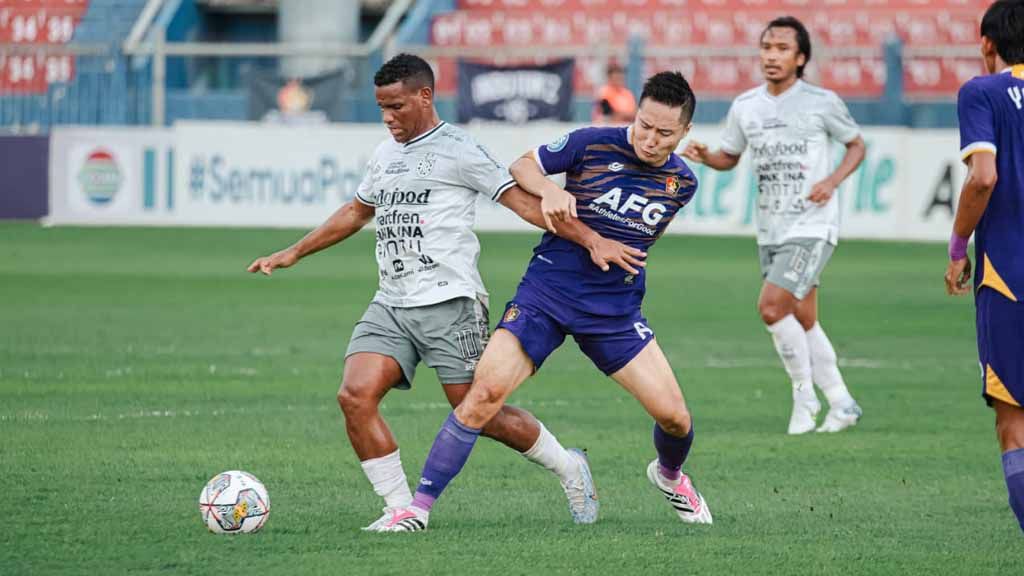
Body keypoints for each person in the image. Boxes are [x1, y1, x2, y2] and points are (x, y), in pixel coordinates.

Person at [247, 53, 645, 531]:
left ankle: (567, 465)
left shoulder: (460, 149)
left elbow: (524, 206)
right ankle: (399, 510)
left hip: (450, 303)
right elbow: (357, 211)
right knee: (354, 395)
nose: (388, 118)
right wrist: (294, 252)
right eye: (381, 108)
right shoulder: (384, 155)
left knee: (477, 411)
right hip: (391, 301)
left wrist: (592, 238)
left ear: (425, 96)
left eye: (396, 106)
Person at [381, 71, 713, 532]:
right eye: (643, 125)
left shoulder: (682, 183)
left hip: (614, 312)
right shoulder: (590, 142)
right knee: (483, 395)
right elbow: (522, 166)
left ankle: (670, 476)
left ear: (685, 133)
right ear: (634, 114)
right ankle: (416, 510)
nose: (650, 139)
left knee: (676, 419)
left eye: (664, 133)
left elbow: (632, 239)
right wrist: (552, 188)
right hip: (547, 295)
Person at [683, 16, 866, 435]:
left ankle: (804, 398)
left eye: (782, 48)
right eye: (766, 47)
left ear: (801, 58)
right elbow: (730, 156)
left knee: (771, 306)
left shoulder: (821, 102)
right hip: (771, 227)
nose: (771, 55)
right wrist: (706, 155)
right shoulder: (746, 106)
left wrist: (831, 181)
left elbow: (856, 144)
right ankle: (841, 401)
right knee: (802, 317)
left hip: (813, 225)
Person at [944, 0, 1024, 534]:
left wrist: (957, 247)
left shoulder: (983, 92)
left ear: (987, 44)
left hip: (1010, 275)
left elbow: (983, 178)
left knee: (1014, 420)